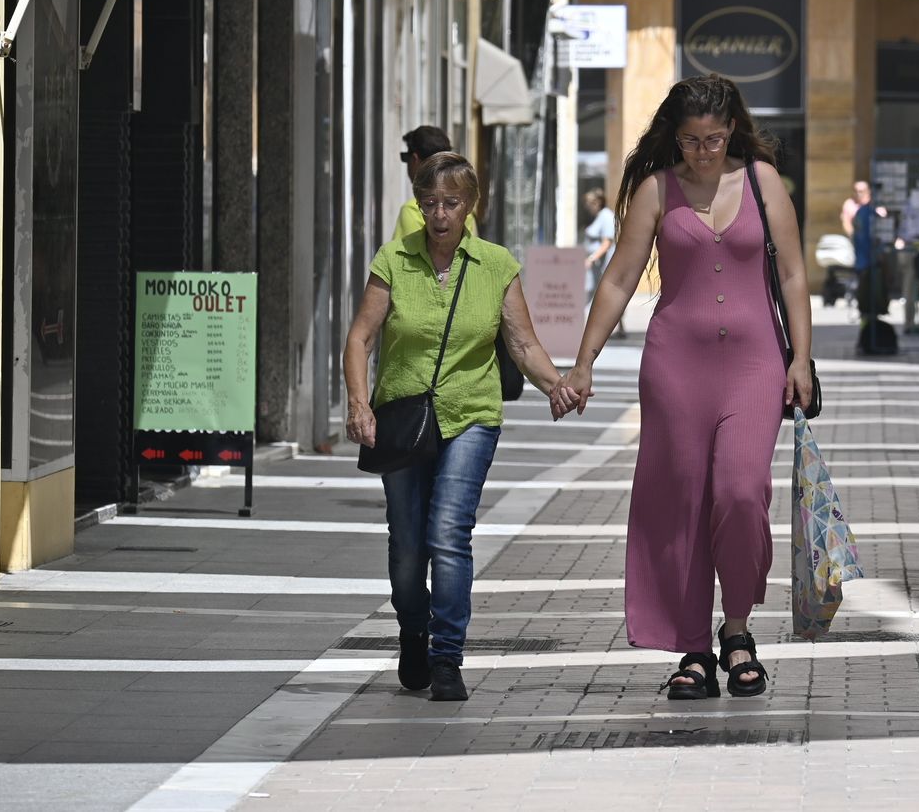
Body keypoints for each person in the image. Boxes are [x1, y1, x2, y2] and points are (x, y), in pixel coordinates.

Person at [554, 74, 812, 700]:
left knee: (742, 493)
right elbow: (617, 280)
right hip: (675, 368)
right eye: (692, 140)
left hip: (756, 365)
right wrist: (583, 362)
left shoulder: (762, 181)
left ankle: (739, 628)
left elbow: (795, 274)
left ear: (733, 131)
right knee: (682, 505)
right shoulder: (655, 190)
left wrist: (802, 358)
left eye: (715, 139)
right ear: (675, 136)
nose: (704, 151)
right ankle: (694, 648)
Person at [344, 152, 572, 702]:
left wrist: (556, 385)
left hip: (471, 413)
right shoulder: (394, 259)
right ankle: (413, 629)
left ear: (471, 205)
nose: (439, 214)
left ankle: (447, 656)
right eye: (429, 204)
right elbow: (360, 339)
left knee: (448, 533)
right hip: (402, 417)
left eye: (451, 203)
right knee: (406, 549)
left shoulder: (496, 265)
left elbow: (521, 343)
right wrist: (358, 403)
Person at [392, 126, 465, 241]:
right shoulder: (465, 204)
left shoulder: (412, 210)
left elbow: (402, 257)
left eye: (406, 158)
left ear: (415, 159)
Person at [581, 187, 625, 336]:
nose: (587, 206)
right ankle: (617, 328)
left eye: (589, 203)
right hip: (597, 266)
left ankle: (602, 329)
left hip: (602, 265)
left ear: (598, 202)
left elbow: (607, 242)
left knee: (601, 296)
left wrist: (592, 258)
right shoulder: (600, 216)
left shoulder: (606, 216)